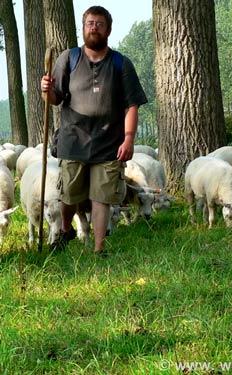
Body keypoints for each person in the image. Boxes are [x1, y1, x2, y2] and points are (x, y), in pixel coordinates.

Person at [40, 5, 147, 255]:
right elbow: (56, 98)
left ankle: (99, 249)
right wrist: (46, 90)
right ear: (83, 28)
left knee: (102, 196)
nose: (94, 28)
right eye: (90, 23)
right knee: (70, 194)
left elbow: (132, 105)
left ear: (108, 29)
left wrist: (129, 139)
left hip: (109, 142)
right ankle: (66, 231)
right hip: (72, 140)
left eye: (99, 23)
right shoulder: (69, 58)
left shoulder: (121, 63)